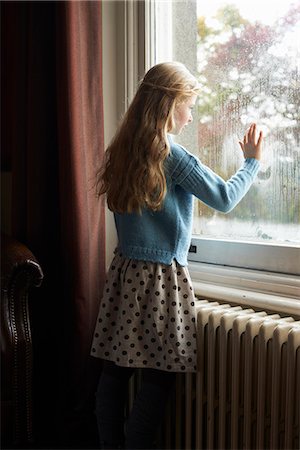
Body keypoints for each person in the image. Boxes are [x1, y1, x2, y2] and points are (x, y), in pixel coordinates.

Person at [90, 61, 263, 449]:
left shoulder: (123, 150)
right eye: (188, 106)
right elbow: (223, 198)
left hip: (124, 276)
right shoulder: (172, 154)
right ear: (170, 105)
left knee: (114, 376)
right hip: (160, 283)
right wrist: (251, 163)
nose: (189, 116)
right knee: (158, 381)